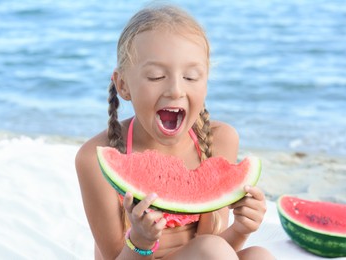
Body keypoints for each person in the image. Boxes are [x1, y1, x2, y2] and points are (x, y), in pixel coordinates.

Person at [75, 4, 275, 260]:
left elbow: (217, 246)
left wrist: (242, 228)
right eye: (157, 76)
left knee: (260, 255)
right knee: (211, 249)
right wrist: (140, 239)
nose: (175, 91)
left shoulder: (219, 141)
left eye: (191, 77)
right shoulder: (95, 158)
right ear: (123, 85)